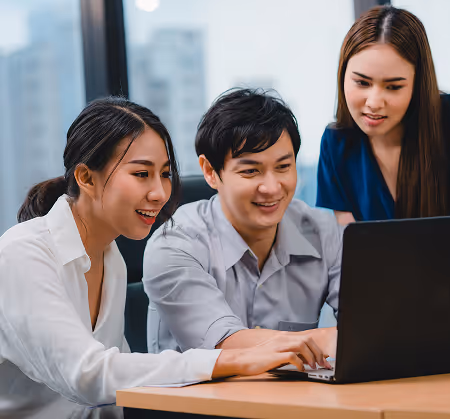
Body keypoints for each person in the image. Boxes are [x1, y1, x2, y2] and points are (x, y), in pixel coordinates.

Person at [0, 97, 314, 419]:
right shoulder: (22, 255)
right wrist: (237, 359)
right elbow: (88, 375)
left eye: (164, 174)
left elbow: (114, 389)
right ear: (86, 178)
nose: (160, 193)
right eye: (141, 174)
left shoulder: (110, 258)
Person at [143, 88, 341, 365]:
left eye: (284, 167)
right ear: (211, 172)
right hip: (197, 405)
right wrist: (332, 339)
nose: (272, 188)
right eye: (250, 171)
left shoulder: (323, 231)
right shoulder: (175, 244)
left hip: (296, 401)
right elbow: (226, 344)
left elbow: (372, 323)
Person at [316, 5, 450, 224]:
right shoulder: (336, 144)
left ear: (418, 85)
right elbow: (356, 248)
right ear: (343, 75)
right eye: (362, 82)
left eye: (393, 87)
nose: (374, 103)